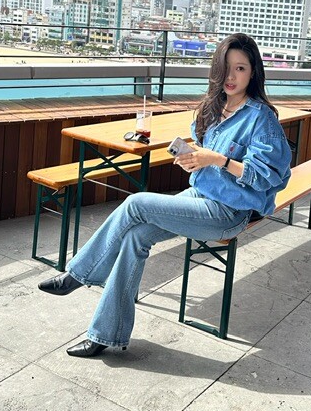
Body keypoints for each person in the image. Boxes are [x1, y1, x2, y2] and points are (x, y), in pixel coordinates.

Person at [38, 33, 292, 357]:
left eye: (240, 68)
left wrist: (217, 160)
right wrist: (194, 160)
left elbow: (270, 177)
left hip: (229, 213)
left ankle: (78, 274)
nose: (231, 76)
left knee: (135, 203)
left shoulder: (261, 118)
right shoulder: (215, 107)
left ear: (253, 72)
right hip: (200, 196)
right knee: (135, 237)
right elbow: (203, 152)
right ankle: (106, 334)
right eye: (226, 67)